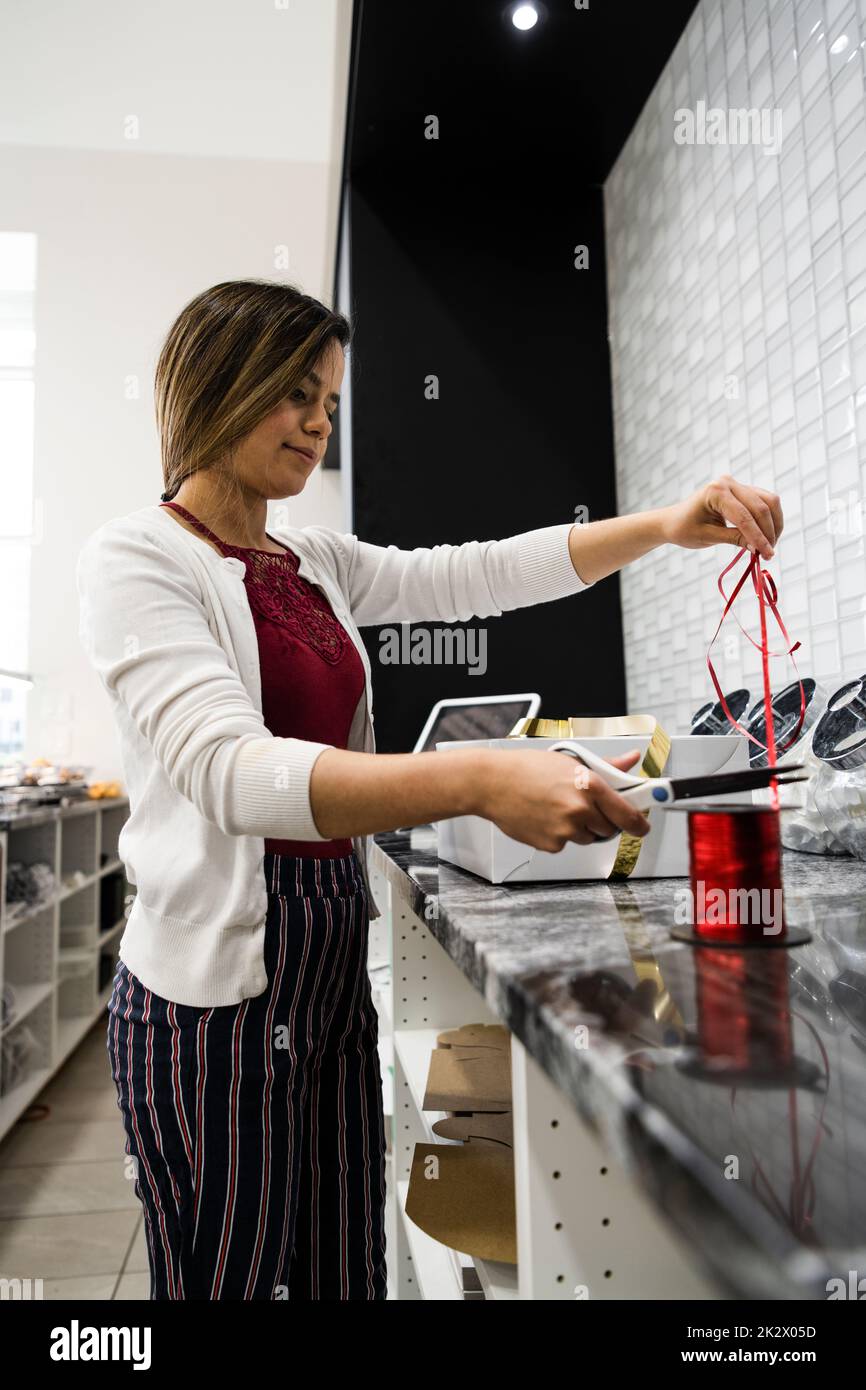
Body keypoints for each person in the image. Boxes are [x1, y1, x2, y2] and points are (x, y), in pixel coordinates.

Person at [76, 278, 783, 1300]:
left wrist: (666, 527)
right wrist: (478, 777)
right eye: (294, 393)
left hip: (321, 958)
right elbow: (233, 774)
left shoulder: (306, 557)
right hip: (210, 1007)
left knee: (338, 1269)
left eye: (328, 400)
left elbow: (476, 574)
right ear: (214, 384)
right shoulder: (138, 558)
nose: (318, 421)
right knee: (232, 1273)